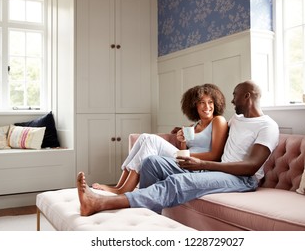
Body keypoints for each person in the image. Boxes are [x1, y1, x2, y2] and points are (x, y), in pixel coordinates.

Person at [77, 80, 279, 216]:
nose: (232, 100)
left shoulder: (267, 126)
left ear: (247, 96)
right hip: (217, 169)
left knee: (177, 181)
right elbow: (208, 131)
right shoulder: (236, 119)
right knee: (151, 162)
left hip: (242, 179)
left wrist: (204, 164)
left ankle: (100, 203)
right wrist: (185, 133)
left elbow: (250, 167)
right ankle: (146, 216)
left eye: (235, 96)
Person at [91, 83, 229, 194]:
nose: (207, 107)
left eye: (210, 102)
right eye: (202, 102)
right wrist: (182, 142)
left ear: (216, 103)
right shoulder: (194, 126)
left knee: (151, 140)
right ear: (195, 105)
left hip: (200, 166)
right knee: (145, 137)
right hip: (186, 161)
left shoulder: (218, 121)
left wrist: (186, 155)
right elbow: (184, 149)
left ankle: (123, 190)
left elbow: (215, 155)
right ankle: (118, 186)